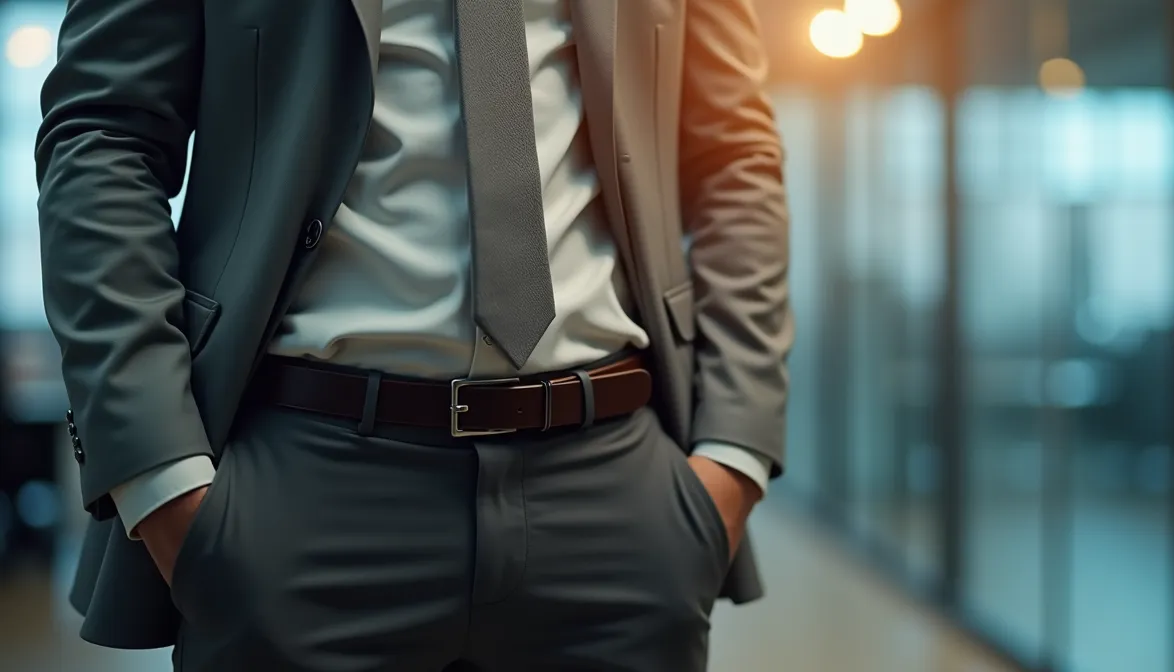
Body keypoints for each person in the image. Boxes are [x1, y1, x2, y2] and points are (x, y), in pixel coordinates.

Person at [36, 0, 792, 669]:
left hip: (617, 494)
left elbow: (733, 156)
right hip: (301, 494)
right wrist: (164, 483)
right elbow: (103, 134)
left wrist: (735, 452)